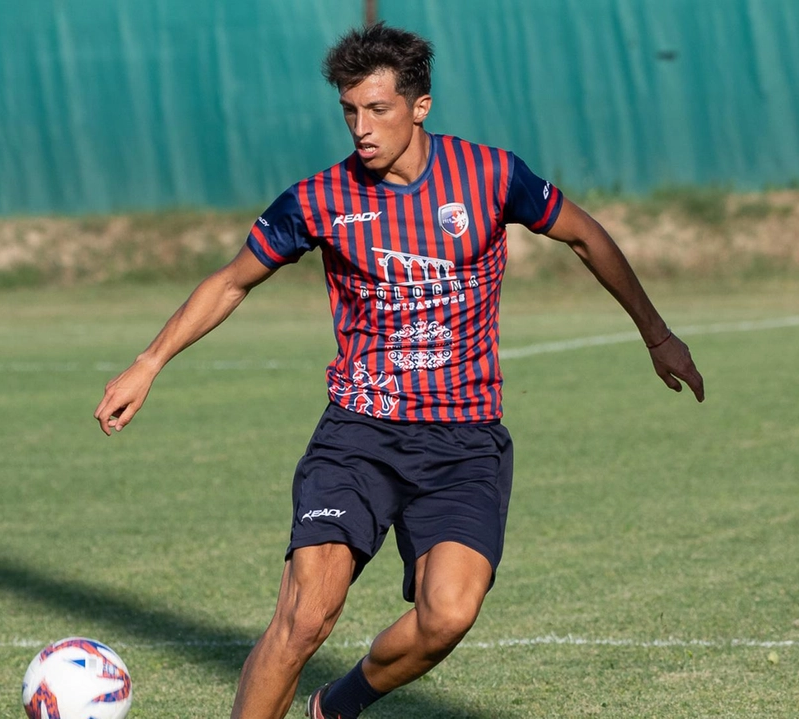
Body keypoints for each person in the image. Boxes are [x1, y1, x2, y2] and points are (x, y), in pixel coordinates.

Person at [94, 23, 704, 719]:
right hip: (358, 433)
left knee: (448, 613)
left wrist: (657, 334)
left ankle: (338, 705)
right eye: (350, 110)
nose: (361, 126)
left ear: (420, 106)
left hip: (464, 440)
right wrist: (150, 361)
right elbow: (232, 281)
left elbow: (585, 235)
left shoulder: (491, 176)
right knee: (304, 617)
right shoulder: (319, 199)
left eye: (377, 108)